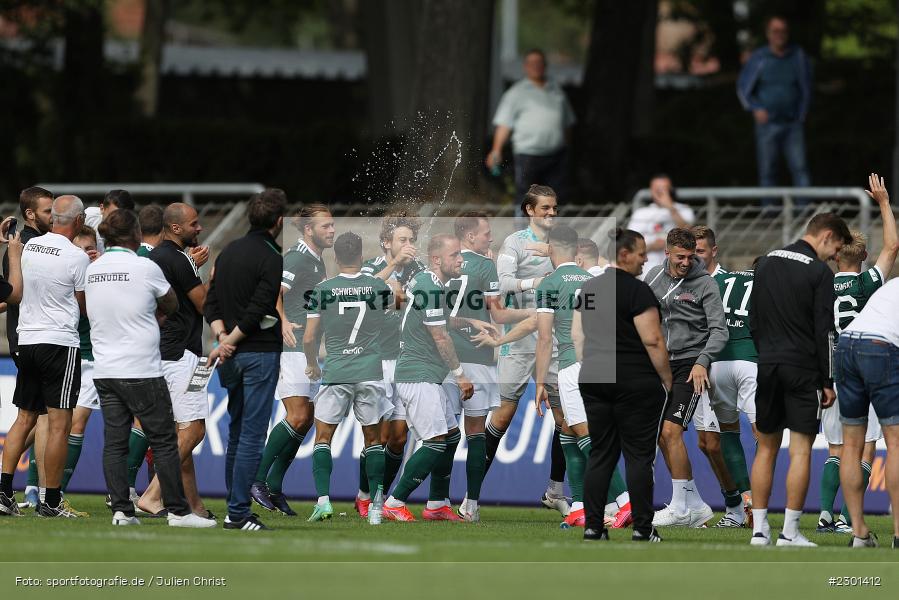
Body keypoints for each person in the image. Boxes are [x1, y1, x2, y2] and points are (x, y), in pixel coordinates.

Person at [85, 209, 214, 528]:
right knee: (180, 434)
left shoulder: (94, 268)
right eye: (194, 223)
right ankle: (167, 504)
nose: (199, 228)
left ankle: (124, 511)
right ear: (134, 233)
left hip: (105, 366)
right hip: (158, 360)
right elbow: (173, 305)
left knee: (116, 441)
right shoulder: (147, 266)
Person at [749, 212, 851, 547]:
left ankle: (759, 532)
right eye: (835, 247)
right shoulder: (818, 272)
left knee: (765, 449)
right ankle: (789, 532)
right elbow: (825, 332)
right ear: (825, 236)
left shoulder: (765, 262)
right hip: (802, 369)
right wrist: (828, 380)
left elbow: (754, 319)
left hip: (768, 364)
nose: (835, 256)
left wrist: (765, 355)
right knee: (801, 451)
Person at [575, 228, 672, 542]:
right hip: (634, 380)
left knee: (601, 453)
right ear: (625, 254)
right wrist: (668, 381)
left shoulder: (588, 288)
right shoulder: (638, 291)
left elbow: (578, 337)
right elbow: (653, 340)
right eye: (641, 254)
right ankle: (643, 529)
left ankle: (593, 527)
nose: (645, 261)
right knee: (639, 456)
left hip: (593, 376)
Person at [0, 195, 89, 518]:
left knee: (23, 419)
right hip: (59, 344)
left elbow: (14, 286)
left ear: (54, 219)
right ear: (77, 221)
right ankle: (51, 501)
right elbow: (83, 307)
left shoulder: (28, 247)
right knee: (58, 425)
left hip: (26, 339)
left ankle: (3, 492)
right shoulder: (77, 257)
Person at [818, 173, 898, 534]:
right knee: (867, 449)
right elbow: (893, 247)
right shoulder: (869, 284)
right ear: (863, 255)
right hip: (869, 361)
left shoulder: (819, 287)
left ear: (835, 256)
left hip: (834, 368)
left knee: (838, 449)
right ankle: (852, 520)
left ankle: (823, 513)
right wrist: (883, 203)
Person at [206, 188, 286, 532]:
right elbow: (260, 309)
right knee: (252, 435)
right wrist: (232, 341)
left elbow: (211, 302)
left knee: (238, 434)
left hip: (231, 356)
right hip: (256, 353)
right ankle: (237, 513)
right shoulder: (270, 255)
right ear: (279, 222)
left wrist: (222, 339)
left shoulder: (229, 252)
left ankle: (234, 507)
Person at [381, 234, 475, 522]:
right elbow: (440, 336)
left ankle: (436, 504)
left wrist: (470, 321)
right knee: (435, 441)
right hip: (417, 373)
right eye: (455, 254)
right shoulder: (429, 286)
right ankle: (395, 501)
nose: (461, 260)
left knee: (451, 436)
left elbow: (440, 322)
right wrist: (461, 376)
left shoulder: (430, 284)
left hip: (425, 374)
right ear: (437, 259)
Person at [302, 232, 393, 524]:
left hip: (338, 371)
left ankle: (323, 502)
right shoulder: (378, 287)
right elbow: (395, 309)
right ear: (361, 257)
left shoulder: (323, 289)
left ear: (336, 257)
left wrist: (312, 364)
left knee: (323, 438)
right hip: (370, 371)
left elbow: (309, 337)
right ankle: (376, 508)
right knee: (373, 441)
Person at [445, 212, 531, 522]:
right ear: (469, 237)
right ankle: (471, 505)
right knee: (476, 433)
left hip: (442, 356)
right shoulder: (485, 266)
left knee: (441, 433)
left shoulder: (442, 262)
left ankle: (434, 501)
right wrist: (534, 315)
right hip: (476, 356)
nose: (490, 238)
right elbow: (499, 315)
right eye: (485, 234)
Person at [491, 185, 569, 515]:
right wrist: (537, 283)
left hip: (552, 342)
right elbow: (504, 284)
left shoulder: (560, 243)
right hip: (520, 342)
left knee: (566, 418)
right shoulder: (514, 244)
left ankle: (555, 490)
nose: (552, 213)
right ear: (529, 211)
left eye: (554, 208)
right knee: (504, 415)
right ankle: (470, 497)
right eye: (546, 208)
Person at [251, 204, 334, 516]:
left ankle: (274, 485)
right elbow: (274, 291)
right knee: (297, 416)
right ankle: (256, 478)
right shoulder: (298, 257)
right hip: (293, 347)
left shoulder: (315, 258)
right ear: (309, 230)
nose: (331, 230)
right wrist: (283, 321)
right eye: (325, 226)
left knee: (307, 418)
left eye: (332, 225)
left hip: (307, 349)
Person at [644, 228, 730, 529]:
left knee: (671, 433)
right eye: (680, 256)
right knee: (660, 435)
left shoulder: (704, 283)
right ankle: (694, 504)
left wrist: (702, 362)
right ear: (667, 252)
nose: (686, 262)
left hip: (690, 366)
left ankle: (680, 507)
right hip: (660, 366)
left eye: (691, 257)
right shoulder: (653, 277)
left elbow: (720, 330)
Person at [138, 203, 212, 519]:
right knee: (194, 431)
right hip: (183, 355)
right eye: (194, 224)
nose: (199, 229)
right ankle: (153, 495)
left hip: (160, 353)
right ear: (177, 228)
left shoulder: (154, 257)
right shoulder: (179, 259)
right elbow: (205, 304)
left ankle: (194, 506)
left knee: (182, 433)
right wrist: (217, 277)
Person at [354, 212, 426, 517]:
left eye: (411, 240)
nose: (409, 245)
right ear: (387, 242)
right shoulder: (372, 268)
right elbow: (362, 291)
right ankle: (365, 494)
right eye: (402, 240)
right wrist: (393, 269)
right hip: (376, 360)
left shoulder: (419, 271)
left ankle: (381, 500)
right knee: (378, 436)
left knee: (399, 437)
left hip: (406, 361)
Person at [692, 225, 756, 528]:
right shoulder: (687, 283)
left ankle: (742, 504)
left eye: (701, 252)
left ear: (714, 252)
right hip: (699, 368)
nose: (694, 258)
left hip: (720, 366)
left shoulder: (730, 282)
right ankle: (734, 503)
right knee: (706, 443)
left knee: (715, 442)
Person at [833, 277, 899, 549]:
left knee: (851, 444)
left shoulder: (892, 284)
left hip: (846, 346)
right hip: (881, 348)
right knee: (895, 442)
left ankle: (859, 533)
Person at [486, 48, 576, 217]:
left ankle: (553, 235)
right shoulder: (516, 93)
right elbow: (504, 124)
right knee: (527, 197)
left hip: (556, 155)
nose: (536, 66)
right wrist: (496, 150)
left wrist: (567, 148)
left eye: (540, 63)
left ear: (545, 66)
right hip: (528, 154)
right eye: (532, 63)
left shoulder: (556, 91)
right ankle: (522, 235)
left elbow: (567, 123)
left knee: (556, 198)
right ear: (525, 67)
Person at [737, 16, 813, 201]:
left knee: (800, 168)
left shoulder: (797, 56)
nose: (779, 35)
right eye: (775, 31)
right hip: (767, 124)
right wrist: (756, 108)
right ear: (768, 34)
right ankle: (769, 215)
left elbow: (806, 88)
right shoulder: (760, 57)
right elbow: (743, 88)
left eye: (783, 31)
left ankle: (805, 215)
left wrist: (801, 115)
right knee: (768, 171)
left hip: (792, 122)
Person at [57, 226, 103, 518]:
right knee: (52, 423)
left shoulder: (100, 275)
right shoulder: (70, 274)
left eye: (90, 250)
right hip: (68, 353)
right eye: (81, 250)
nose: (86, 255)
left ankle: (51, 492)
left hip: (92, 359)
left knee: (74, 423)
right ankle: (47, 492)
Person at [627, 175, 695, 272]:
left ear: (671, 190)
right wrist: (651, 246)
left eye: (664, 189)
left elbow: (690, 233)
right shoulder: (641, 213)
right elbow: (630, 245)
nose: (660, 193)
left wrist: (670, 207)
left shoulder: (683, 210)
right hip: (647, 271)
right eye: (657, 189)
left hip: (678, 270)